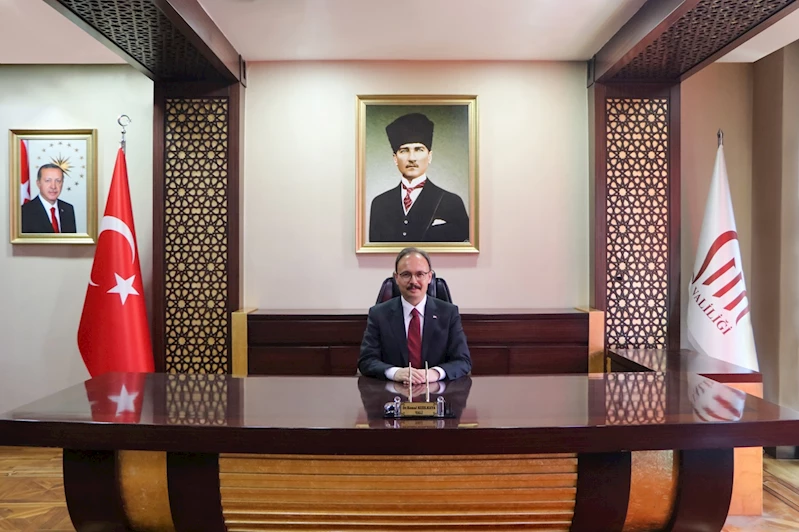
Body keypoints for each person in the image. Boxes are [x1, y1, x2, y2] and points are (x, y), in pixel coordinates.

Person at [358, 247, 472, 383]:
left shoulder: (448, 313)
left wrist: (434, 373)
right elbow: (366, 361)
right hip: (393, 390)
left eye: (420, 274)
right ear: (396, 278)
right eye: (406, 274)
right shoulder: (379, 314)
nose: (413, 281)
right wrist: (395, 372)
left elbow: (463, 361)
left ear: (429, 277)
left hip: (437, 391)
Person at [369, 113, 469, 243]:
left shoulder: (451, 202)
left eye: (419, 149)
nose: (412, 158)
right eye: (404, 150)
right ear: (395, 158)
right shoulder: (379, 204)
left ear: (429, 156)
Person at [21, 164, 76, 233]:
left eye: (58, 181)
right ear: (38, 183)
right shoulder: (24, 212)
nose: (53, 186)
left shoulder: (68, 209)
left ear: (62, 183)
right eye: (48, 180)